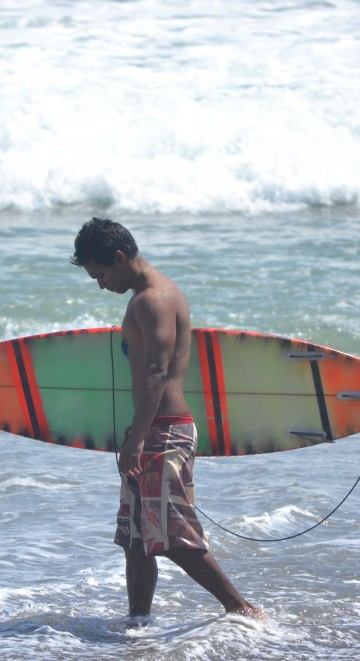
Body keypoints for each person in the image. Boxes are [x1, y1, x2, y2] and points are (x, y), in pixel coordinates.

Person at [71, 217, 264, 620]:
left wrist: (137, 439)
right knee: (136, 539)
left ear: (121, 257)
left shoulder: (151, 299)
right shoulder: (154, 293)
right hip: (154, 428)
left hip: (163, 432)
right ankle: (137, 624)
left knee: (173, 535)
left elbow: (157, 373)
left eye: (102, 273)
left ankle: (242, 609)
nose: (101, 284)